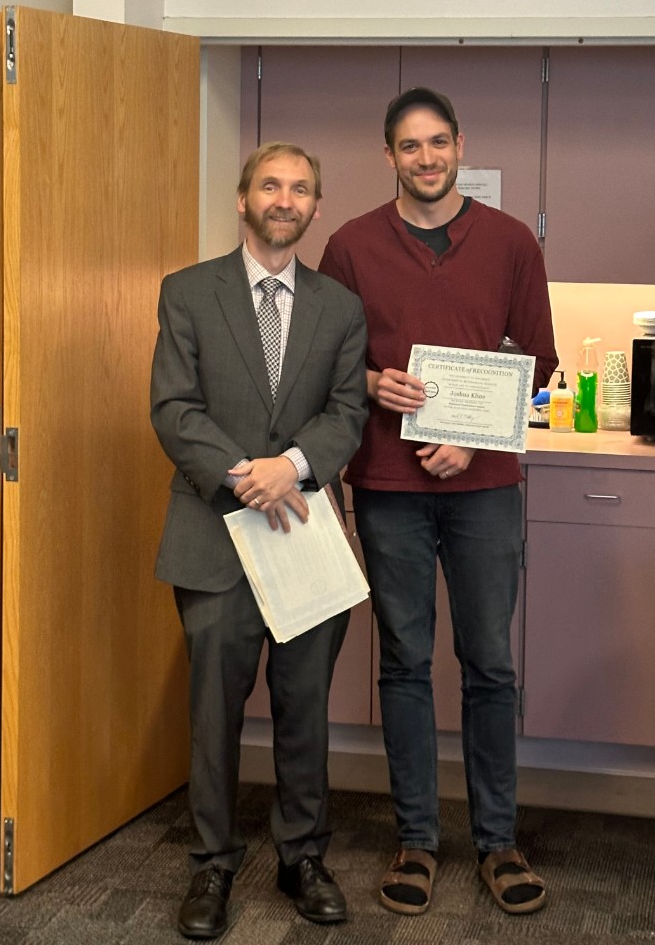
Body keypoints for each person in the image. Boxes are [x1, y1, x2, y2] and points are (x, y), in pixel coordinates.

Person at [318, 88, 558, 918]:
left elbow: (538, 361)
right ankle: (416, 838)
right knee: (405, 665)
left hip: (485, 489)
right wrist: (368, 381)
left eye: (438, 143)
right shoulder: (350, 247)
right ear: (388, 155)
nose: (426, 159)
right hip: (388, 488)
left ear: (461, 145)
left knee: (490, 666)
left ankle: (499, 841)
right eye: (409, 147)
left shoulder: (510, 242)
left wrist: (477, 439)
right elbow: (328, 362)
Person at [151, 142, 368, 940]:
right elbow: (174, 407)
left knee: (303, 705)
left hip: (305, 532)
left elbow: (348, 411)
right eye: (270, 185)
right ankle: (212, 863)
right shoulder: (187, 293)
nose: (285, 199)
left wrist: (294, 467)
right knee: (214, 709)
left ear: (316, 207)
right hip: (216, 531)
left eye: (301, 189)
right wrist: (252, 476)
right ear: (242, 200)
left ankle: (302, 856)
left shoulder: (340, 307)